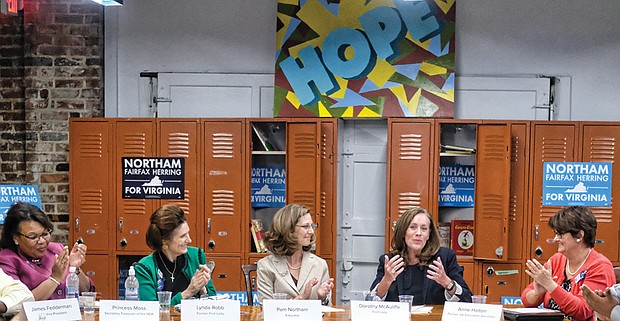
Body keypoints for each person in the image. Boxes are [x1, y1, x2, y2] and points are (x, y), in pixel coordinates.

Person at [521, 206, 615, 321]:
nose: (556, 239)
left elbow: (583, 310)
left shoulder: (600, 266)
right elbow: (526, 299)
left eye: (560, 234)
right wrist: (536, 293)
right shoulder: (557, 260)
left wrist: (550, 285)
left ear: (579, 235)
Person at [369, 207, 472, 304]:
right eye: (413, 227)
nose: (419, 233)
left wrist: (447, 282)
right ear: (403, 231)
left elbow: (467, 299)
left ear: (429, 234)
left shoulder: (444, 258)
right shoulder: (389, 261)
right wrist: (386, 280)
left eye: (424, 229)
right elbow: (371, 302)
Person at [0, 202, 94, 300]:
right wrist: (55, 278)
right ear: (15, 238)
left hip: (67, 313)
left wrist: (75, 269)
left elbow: (86, 291)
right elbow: (17, 302)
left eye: (45, 234)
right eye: (33, 237)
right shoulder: (7, 260)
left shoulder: (57, 250)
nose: (41, 241)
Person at [134, 205, 216, 306]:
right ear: (164, 241)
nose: (189, 240)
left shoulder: (196, 256)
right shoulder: (145, 268)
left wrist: (203, 290)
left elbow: (213, 302)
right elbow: (151, 311)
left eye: (188, 233)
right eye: (182, 236)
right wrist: (187, 293)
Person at [257, 204, 334, 305]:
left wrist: (321, 298)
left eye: (312, 226)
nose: (311, 231)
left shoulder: (320, 264)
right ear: (289, 230)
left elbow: (328, 311)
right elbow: (266, 310)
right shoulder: (266, 266)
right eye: (306, 226)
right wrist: (301, 298)